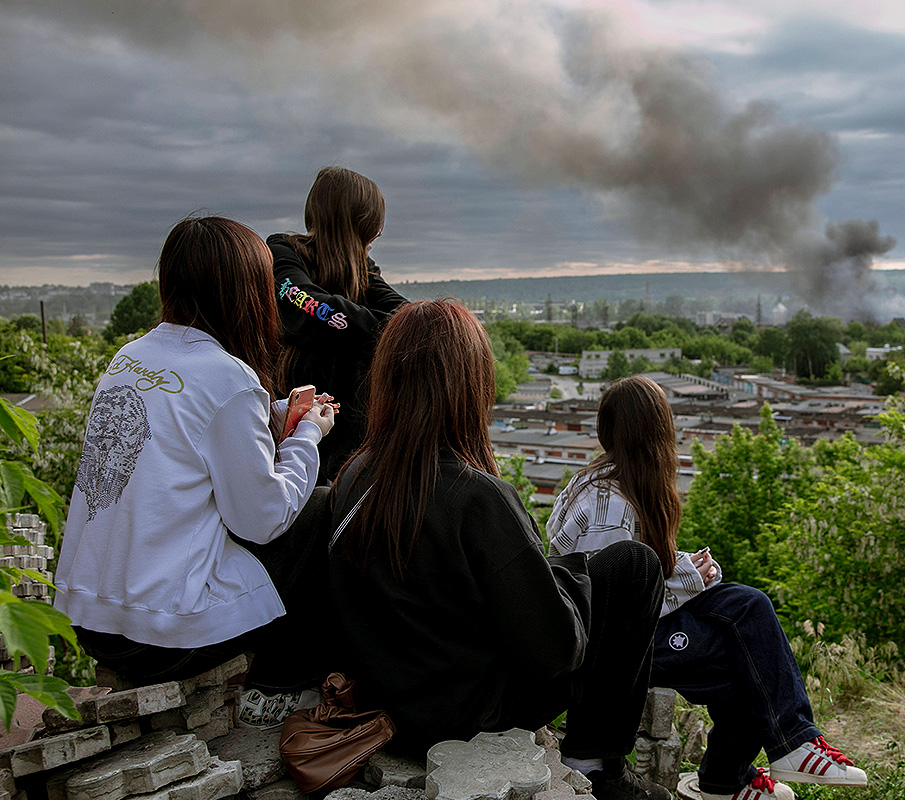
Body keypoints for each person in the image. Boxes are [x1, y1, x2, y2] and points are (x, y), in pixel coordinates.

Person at [327, 300, 672, 800]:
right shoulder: (475, 495)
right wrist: (569, 574)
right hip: (469, 712)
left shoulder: (354, 476)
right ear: (470, 387)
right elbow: (559, 649)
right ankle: (597, 765)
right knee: (635, 565)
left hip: (387, 699)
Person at [54, 216, 337, 726]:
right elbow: (262, 519)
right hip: (161, 637)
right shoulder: (227, 377)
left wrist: (273, 415)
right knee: (320, 509)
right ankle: (282, 686)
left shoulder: (130, 357)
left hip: (94, 621)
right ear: (244, 292)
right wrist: (308, 435)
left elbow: (187, 428)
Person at [547, 376, 868, 800]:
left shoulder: (619, 482)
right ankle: (735, 773)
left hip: (632, 625)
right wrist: (688, 579)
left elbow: (635, 576)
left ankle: (781, 749)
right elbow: (610, 611)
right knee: (745, 659)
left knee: (750, 605)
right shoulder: (608, 502)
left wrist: (683, 568)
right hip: (611, 650)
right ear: (660, 432)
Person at [268, 166, 408, 483]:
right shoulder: (283, 253)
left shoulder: (364, 269)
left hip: (354, 437)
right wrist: (395, 332)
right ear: (356, 221)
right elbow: (312, 308)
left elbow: (403, 313)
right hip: (294, 427)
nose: (380, 233)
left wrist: (414, 325)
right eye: (375, 221)